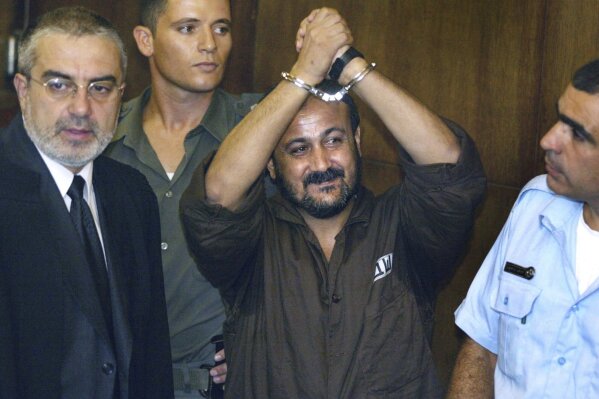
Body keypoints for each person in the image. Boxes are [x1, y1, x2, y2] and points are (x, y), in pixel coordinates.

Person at [179, 7, 486, 398]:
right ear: (270, 167)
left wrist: (347, 64)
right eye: (298, 148)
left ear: (357, 141)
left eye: (334, 140)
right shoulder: (252, 241)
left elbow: (450, 169)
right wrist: (304, 72)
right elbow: (217, 198)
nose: (321, 163)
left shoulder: (404, 226)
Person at [0, 7, 173, 399]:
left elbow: (151, 351)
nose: (81, 108)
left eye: (100, 88)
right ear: (24, 91)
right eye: (59, 85)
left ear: (120, 95)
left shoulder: (132, 194)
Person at [103, 0, 261, 395]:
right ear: (146, 40)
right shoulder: (102, 134)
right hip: (121, 379)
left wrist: (264, 333)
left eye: (221, 29)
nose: (210, 44)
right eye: (189, 28)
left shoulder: (258, 130)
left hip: (222, 383)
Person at [448, 59, 599, 398]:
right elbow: (481, 345)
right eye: (559, 117)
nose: (548, 140)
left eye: (577, 133)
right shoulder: (536, 202)